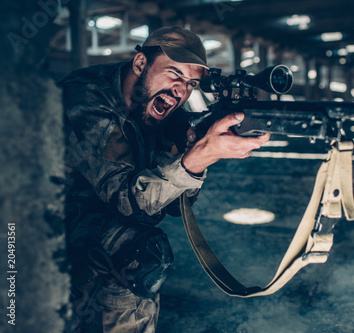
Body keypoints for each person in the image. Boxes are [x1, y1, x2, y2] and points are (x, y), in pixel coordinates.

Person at [59, 26, 270, 332]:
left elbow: (168, 206)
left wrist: (191, 149)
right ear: (141, 64)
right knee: (139, 250)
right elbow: (130, 202)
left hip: (87, 212)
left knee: (137, 246)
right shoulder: (85, 100)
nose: (180, 91)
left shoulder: (162, 111)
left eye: (191, 83)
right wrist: (200, 156)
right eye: (174, 73)